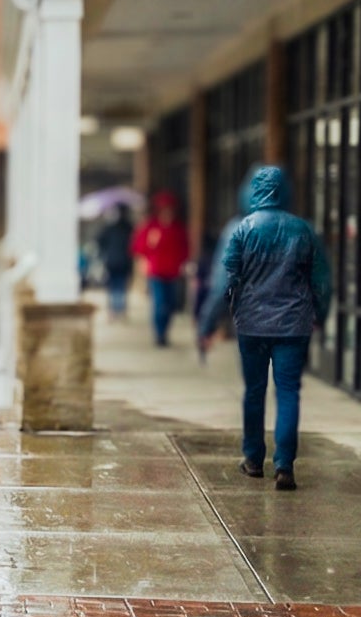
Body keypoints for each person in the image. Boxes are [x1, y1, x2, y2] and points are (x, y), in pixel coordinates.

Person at [199, 165, 330, 492]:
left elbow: (225, 281)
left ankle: (254, 459)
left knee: (254, 393)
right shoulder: (302, 230)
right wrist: (321, 314)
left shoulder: (242, 229)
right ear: (285, 191)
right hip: (294, 327)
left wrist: (212, 320)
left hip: (253, 326)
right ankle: (284, 465)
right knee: (288, 393)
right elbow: (320, 280)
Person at [132, 193, 193, 348]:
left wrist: (185, 264)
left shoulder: (178, 228)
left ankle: (165, 331)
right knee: (159, 303)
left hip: (173, 272)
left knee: (171, 304)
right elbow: (139, 248)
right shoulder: (151, 227)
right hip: (156, 271)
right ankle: (159, 334)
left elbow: (185, 248)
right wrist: (150, 246)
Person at [94, 204, 135, 319]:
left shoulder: (110, 227)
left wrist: (105, 252)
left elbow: (99, 240)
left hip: (112, 260)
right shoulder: (129, 228)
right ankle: (120, 310)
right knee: (121, 286)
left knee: (113, 286)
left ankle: (114, 310)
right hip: (124, 261)